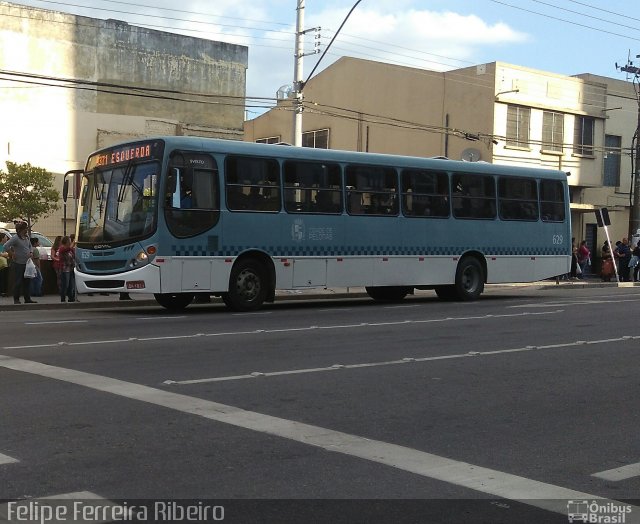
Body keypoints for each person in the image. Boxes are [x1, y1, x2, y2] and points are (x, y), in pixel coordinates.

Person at [3, 222, 37, 304]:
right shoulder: (15, 238)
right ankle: (16, 299)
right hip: (18, 263)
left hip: (27, 263)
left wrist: (31, 252)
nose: (26, 230)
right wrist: (12, 253)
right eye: (25, 228)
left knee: (27, 281)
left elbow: (30, 246)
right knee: (18, 281)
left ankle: (27, 298)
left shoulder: (26, 237)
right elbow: (6, 246)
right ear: (20, 230)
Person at [58, 236, 76, 302]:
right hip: (64, 269)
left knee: (71, 284)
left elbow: (73, 254)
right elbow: (67, 249)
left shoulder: (70, 249)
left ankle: (71, 297)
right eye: (69, 241)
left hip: (71, 268)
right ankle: (63, 297)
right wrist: (73, 242)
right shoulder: (62, 248)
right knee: (65, 284)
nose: (70, 242)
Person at [0, 233, 10, 297]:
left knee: (4, 278)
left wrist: (5, 255)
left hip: (5, 265)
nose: (7, 239)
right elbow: (3, 254)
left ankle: (4, 291)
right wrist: (5, 255)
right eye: (6, 237)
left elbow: (8, 255)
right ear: (2, 238)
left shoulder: (5, 246)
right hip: (1, 265)